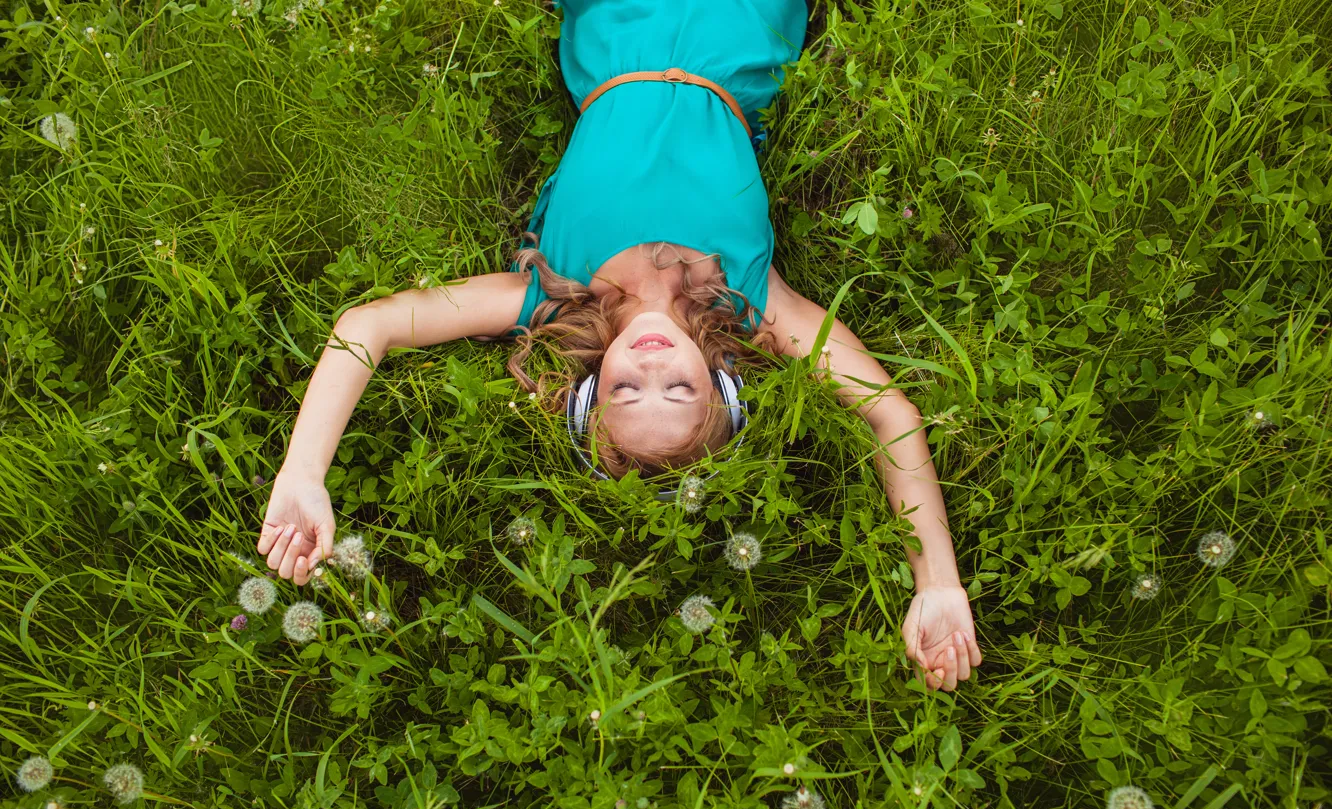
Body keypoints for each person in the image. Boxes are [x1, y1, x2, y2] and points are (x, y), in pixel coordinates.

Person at [257, 0, 982, 691]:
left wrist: (303, 471)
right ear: (721, 383)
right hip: (740, 33)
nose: (654, 364)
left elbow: (369, 327)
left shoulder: (548, 294)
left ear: (590, 385)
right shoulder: (755, 303)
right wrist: (938, 581)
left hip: (618, 24)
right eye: (681, 389)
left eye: (627, 390)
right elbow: (891, 412)